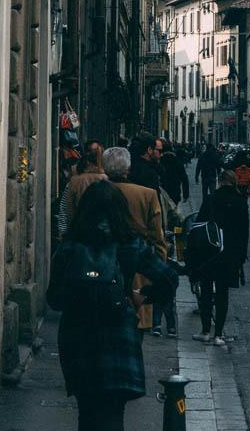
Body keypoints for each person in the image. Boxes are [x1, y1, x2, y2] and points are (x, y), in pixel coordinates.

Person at [48, 180, 177, 431]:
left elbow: (54, 299)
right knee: (113, 413)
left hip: (78, 338)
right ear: (120, 210)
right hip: (118, 335)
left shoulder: (69, 247)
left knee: (87, 413)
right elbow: (169, 278)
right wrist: (142, 295)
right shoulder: (130, 245)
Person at [104, 146, 168, 334]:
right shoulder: (147, 194)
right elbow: (158, 236)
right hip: (138, 268)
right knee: (135, 325)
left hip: (104, 263)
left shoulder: (97, 191)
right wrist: (159, 264)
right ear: (128, 169)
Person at [192, 170, 249, 346]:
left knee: (206, 291)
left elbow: (199, 225)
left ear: (220, 181)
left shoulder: (211, 199)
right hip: (230, 252)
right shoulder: (240, 201)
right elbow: (244, 232)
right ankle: (219, 335)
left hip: (210, 250)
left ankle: (206, 330)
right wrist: (241, 257)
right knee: (223, 293)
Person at [59, 140, 107, 236]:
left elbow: (64, 209)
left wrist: (63, 233)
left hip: (78, 232)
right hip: (98, 235)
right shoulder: (107, 179)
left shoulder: (74, 179)